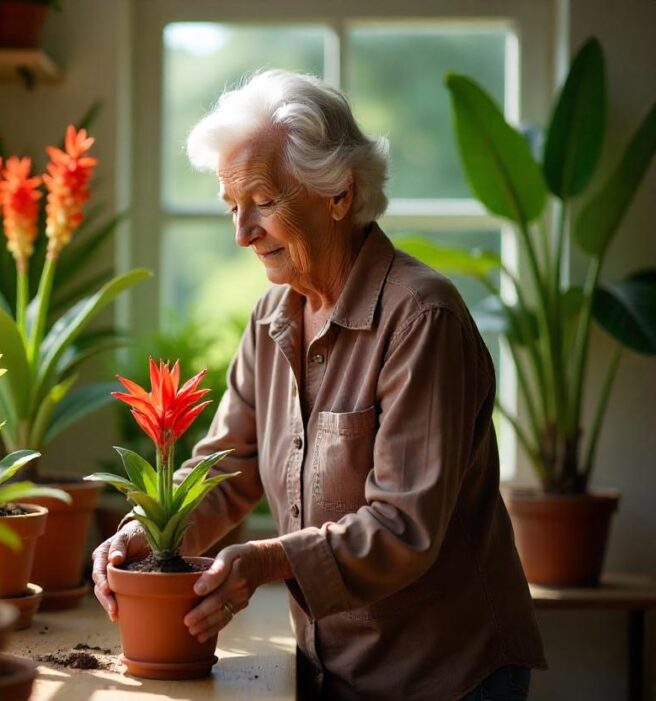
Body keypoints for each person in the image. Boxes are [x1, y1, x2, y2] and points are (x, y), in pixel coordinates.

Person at [91, 70, 546, 700]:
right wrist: (148, 530)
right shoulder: (271, 316)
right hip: (329, 670)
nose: (241, 232)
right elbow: (228, 466)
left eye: (263, 201)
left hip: (444, 675)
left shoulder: (421, 317)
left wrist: (269, 559)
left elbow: (402, 525)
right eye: (232, 207)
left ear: (339, 193)